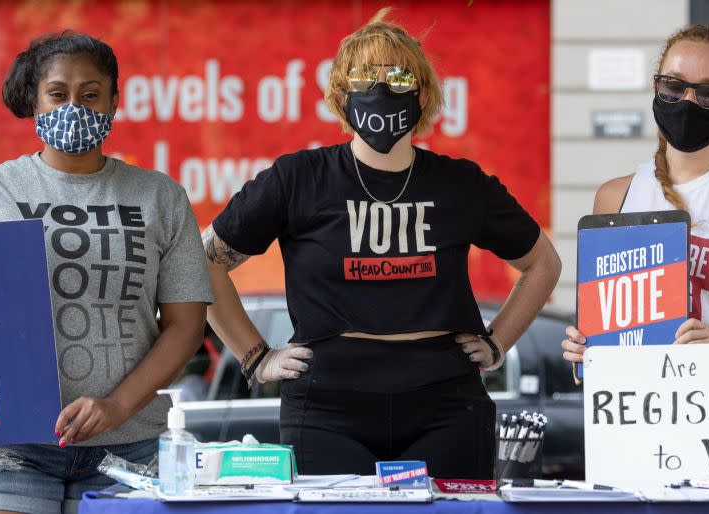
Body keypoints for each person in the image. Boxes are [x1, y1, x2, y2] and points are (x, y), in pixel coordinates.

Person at [202, 9, 561, 479]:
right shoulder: (298, 179)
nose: (380, 88)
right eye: (363, 76)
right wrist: (256, 358)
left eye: (397, 75)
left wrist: (498, 345)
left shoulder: (461, 184)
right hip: (328, 405)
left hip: (446, 403)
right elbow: (201, 262)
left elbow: (543, 264)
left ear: (424, 92)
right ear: (339, 94)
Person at [0, 31, 212, 514]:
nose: (75, 106)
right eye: (58, 93)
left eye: (91, 94)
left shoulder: (160, 196)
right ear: (34, 101)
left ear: (115, 101)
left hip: (131, 444)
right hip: (8, 443)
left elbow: (185, 325)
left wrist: (115, 406)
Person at [561, 25, 709, 365]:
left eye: (708, 93)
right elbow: (607, 325)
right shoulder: (613, 197)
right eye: (673, 86)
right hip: (633, 407)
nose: (687, 101)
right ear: (655, 87)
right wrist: (585, 352)